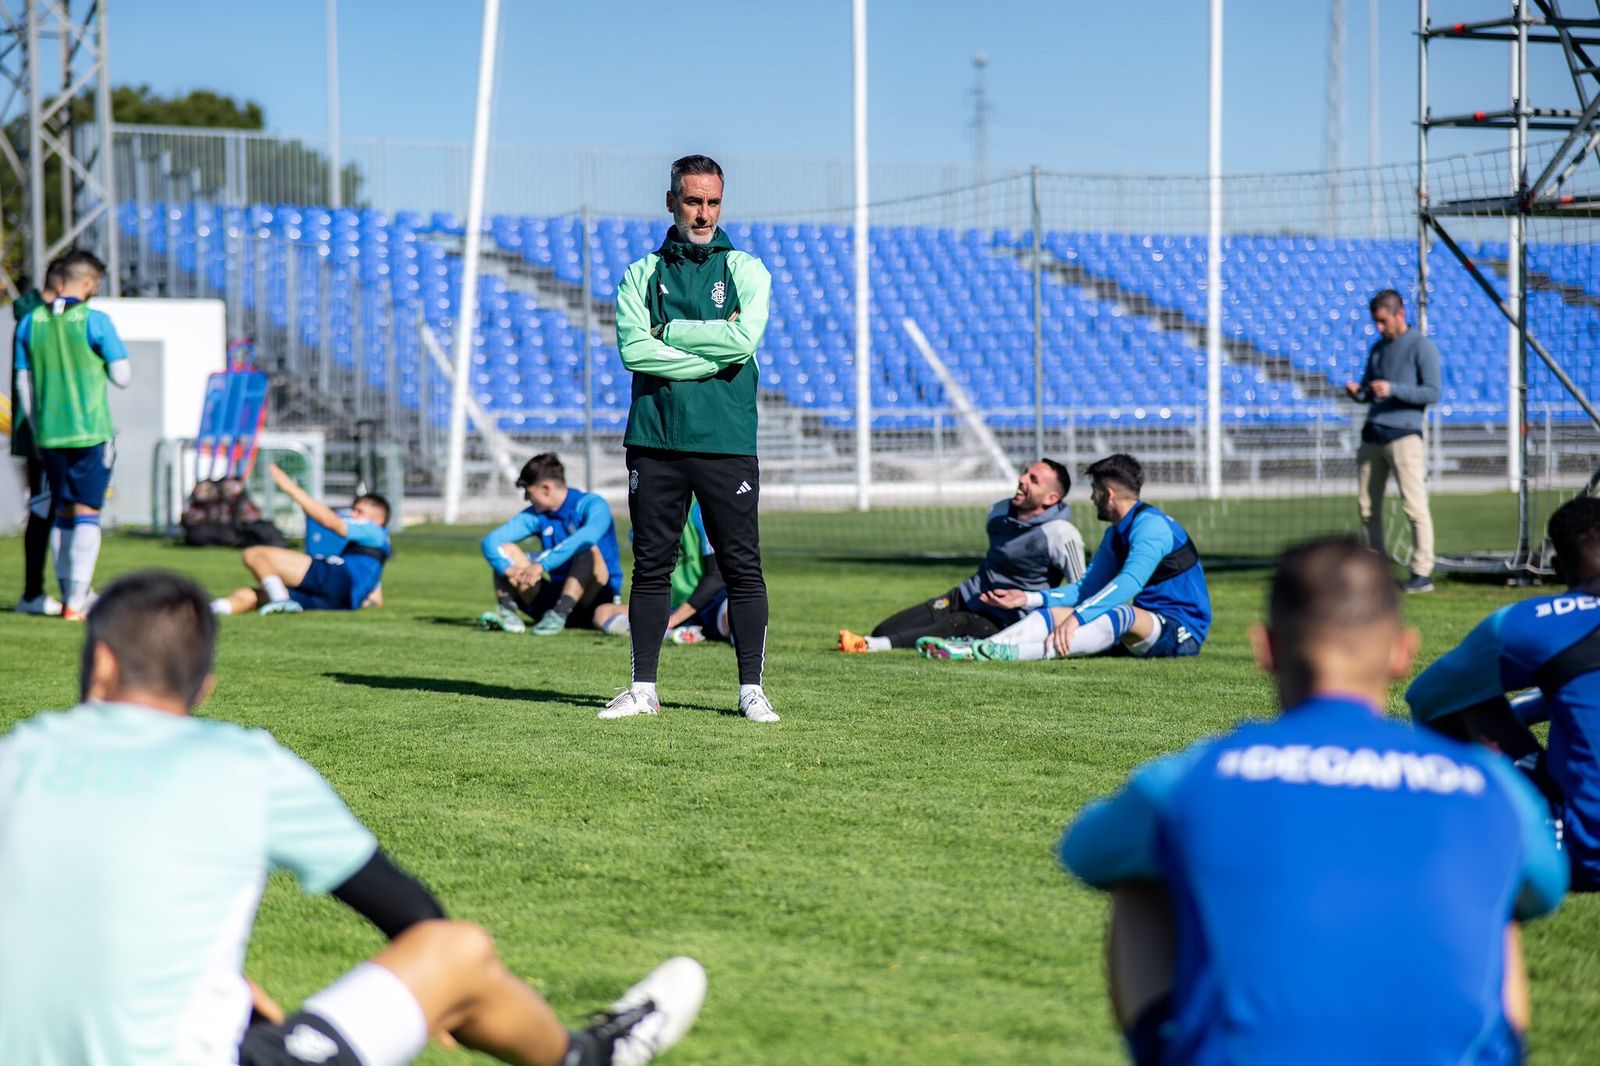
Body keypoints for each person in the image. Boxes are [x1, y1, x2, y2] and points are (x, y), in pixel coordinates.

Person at [0, 570, 706, 1066]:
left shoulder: (16, 758)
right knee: (454, 954)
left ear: (98, 665)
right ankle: (593, 1057)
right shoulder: (243, 765)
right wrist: (445, 1005)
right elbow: (414, 919)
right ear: (203, 685)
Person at [1060, 538, 1566, 1064]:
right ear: (1402, 653)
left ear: (1267, 649)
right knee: (1498, 894)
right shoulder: (1489, 784)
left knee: (1141, 878)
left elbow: (1086, 852)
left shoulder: (1189, 778)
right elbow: (1545, 890)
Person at [603, 154, 777, 723]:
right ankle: (642, 688)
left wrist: (671, 333)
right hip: (655, 438)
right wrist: (711, 356)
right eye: (692, 200)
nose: (703, 213)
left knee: (741, 566)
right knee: (652, 565)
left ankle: (751, 689)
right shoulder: (640, 274)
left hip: (726, 439)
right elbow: (634, 350)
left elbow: (743, 341)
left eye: (712, 202)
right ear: (670, 200)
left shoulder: (747, 270)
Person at [1408, 494, 1600, 893]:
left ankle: (1508, 813)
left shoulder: (1533, 623)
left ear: (1557, 567)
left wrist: (1524, 709)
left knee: (1470, 704)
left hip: (1586, 851)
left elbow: (1427, 698)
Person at [924, 454, 1207, 662]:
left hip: (1181, 631)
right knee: (1050, 615)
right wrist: (1028, 599)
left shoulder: (1152, 527)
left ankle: (1013, 654)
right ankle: (976, 649)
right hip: (1146, 628)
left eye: (1094, 490)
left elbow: (1129, 584)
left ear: (1108, 494)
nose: (1092, 498)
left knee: (1122, 612)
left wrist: (1078, 618)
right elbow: (1085, 589)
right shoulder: (1115, 534)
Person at [836, 460, 1083, 654]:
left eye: (1033, 480)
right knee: (885, 629)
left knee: (956, 623)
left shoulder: (1061, 534)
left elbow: (1082, 590)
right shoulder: (998, 512)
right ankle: (879, 639)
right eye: (1024, 473)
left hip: (1006, 621)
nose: (1021, 480)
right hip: (966, 596)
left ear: (1051, 498)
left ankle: (871, 646)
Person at [13, 249, 130, 620]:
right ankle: (76, 601)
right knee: (86, 513)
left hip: (48, 436)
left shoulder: (30, 323)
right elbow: (123, 376)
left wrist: (37, 430)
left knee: (57, 511)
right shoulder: (96, 321)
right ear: (89, 283)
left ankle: (64, 595)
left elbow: (22, 384)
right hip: (91, 432)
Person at [1345, 288, 1441, 594]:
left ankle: (1422, 572)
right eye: (1375, 322)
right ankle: (1375, 572)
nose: (1379, 328)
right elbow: (1368, 391)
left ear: (1400, 314)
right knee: (1367, 508)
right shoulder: (1377, 349)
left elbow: (1432, 393)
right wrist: (1358, 393)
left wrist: (1394, 389)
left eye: (1383, 321)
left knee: (1414, 506)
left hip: (1404, 437)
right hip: (1372, 434)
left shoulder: (1422, 347)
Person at [212, 462, 390, 616]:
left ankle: (281, 600)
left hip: (338, 581)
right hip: (339, 601)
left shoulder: (374, 531)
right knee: (252, 595)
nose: (353, 514)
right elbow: (375, 598)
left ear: (379, 520)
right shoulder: (372, 552)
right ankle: (212, 609)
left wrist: (288, 487)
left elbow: (329, 521)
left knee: (255, 554)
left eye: (359, 511)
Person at [479, 453, 627, 637]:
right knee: (505, 551)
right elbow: (491, 541)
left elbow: (588, 536)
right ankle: (508, 614)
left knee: (588, 548)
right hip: (552, 600)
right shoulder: (537, 515)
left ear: (546, 489)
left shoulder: (592, 505)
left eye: (528, 491)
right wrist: (508, 569)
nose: (526, 498)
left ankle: (560, 614)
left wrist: (541, 565)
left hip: (596, 601)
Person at [9, 257, 64, 615]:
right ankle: (34, 593)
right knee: (45, 509)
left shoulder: (37, 315)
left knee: (48, 508)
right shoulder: (38, 318)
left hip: (45, 431)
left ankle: (45, 592)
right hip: (42, 432)